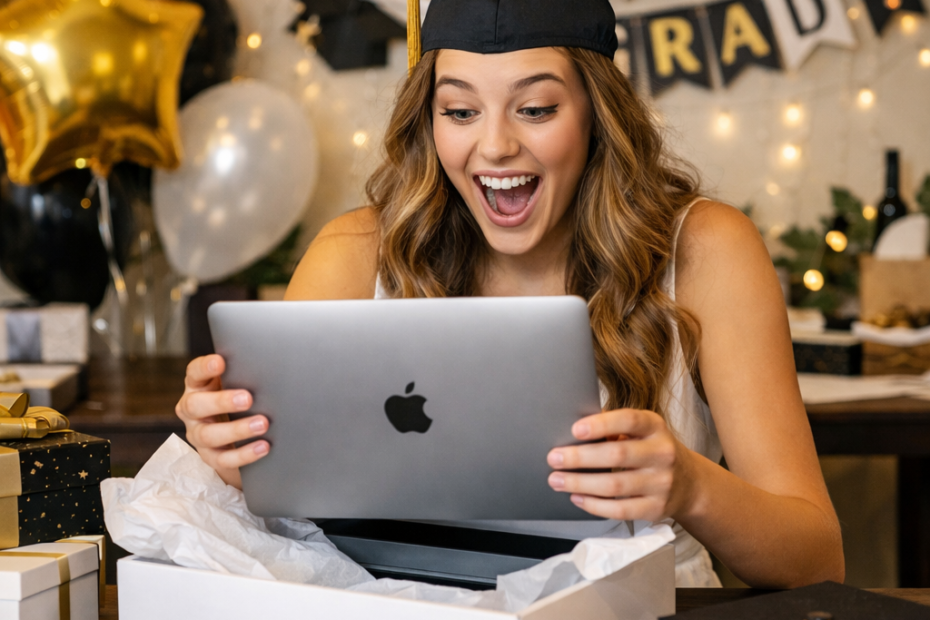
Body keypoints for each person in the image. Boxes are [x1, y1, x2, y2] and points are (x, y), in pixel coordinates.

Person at [175, 0, 844, 588]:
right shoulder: (352, 258)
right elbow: (287, 509)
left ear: (597, 112)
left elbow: (816, 559)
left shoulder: (705, 251)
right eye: (460, 111)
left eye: (535, 108)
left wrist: (693, 487)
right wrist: (232, 451)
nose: (494, 145)